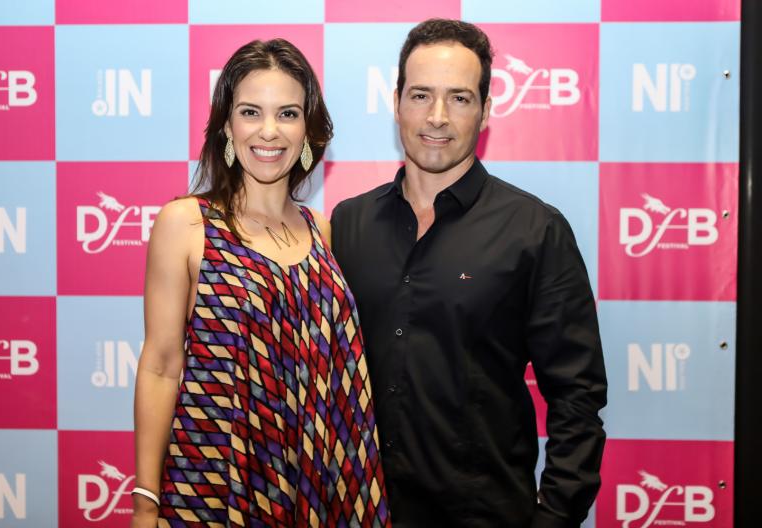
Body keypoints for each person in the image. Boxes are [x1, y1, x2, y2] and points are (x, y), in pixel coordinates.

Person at [331, 19, 607, 528]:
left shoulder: (534, 230)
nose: (437, 117)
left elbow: (578, 396)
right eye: (420, 95)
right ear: (396, 102)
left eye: (459, 98)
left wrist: (555, 516)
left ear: (486, 110)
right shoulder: (348, 224)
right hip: (360, 511)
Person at [132, 39, 390, 528]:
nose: (269, 131)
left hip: (312, 480)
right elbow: (161, 366)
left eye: (288, 114)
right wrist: (146, 500)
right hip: (214, 477)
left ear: (308, 130)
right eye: (251, 112)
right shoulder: (187, 223)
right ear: (227, 126)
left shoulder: (321, 231)